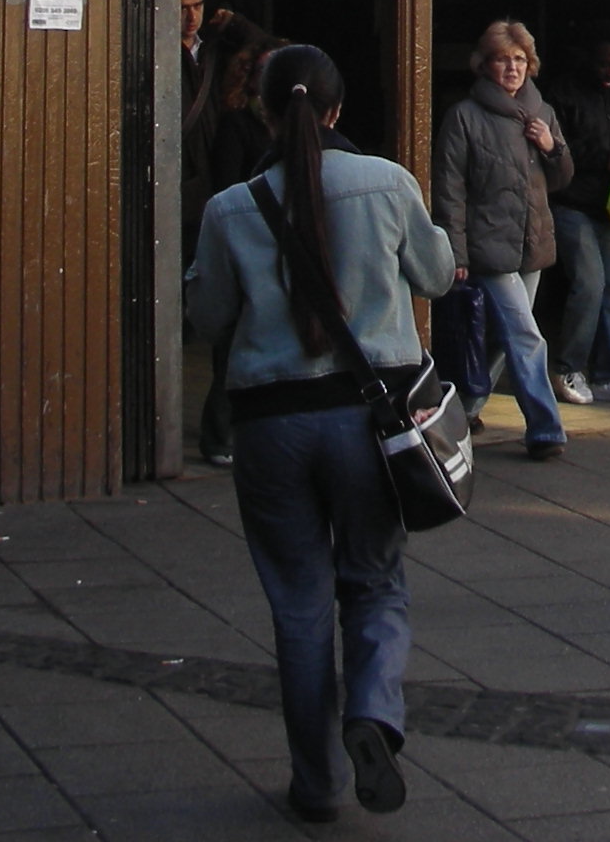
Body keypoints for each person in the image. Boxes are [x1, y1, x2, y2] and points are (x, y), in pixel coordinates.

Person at [185, 43, 454, 823]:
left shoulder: (232, 207)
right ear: (336, 111)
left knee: (298, 605)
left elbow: (207, 319)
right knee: (373, 582)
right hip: (370, 421)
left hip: (271, 428)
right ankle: (371, 713)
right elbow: (437, 274)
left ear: (265, 110)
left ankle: (316, 783)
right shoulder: (388, 183)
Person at [430, 19, 573, 457]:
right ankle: (546, 429)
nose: (512, 68)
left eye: (519, 60)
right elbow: (449, 189)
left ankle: (461, 411)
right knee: (527, 336)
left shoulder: (542, 111)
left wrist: (552, 146)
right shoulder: (464, 117)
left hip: (532, 242)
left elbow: (563, 178)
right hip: (488, 246)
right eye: (501, 60)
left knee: (505, 335)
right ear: (484, 65)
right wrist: (456, 251)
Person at [191, 15, 283, 464]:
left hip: (283, 244)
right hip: (250, 241)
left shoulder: (289, 127)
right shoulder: (237, 125)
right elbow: (224, 187)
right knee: (232, 342)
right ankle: (218, 434)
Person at [544, 36, 610, 406]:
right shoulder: (563, 94)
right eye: (605, 64)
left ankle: (606, 374)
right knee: (589, 285)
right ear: (588, 58)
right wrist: (603, 158)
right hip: (572, 202)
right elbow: (556, 149)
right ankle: (569, 367)